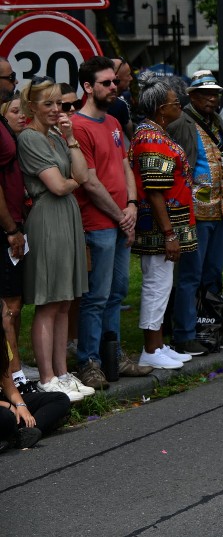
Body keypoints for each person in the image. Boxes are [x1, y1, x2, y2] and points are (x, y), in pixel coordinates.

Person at [73, 56, 150, 389]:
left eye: (114, 82)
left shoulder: (113, 123)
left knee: (117, 292)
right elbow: (89, 181)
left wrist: (132, 205)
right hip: (99, 223)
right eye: (106, 83)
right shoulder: (78, 126)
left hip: (120, 221)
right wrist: (122, 216)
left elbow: (124, 166)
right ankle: (88, 361)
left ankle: (113, 355)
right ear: (88, 87)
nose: (114, 87)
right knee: (96, 296)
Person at [16, 78, 91, 400]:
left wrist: (72, 138)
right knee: (49, 302)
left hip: (66, 215)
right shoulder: (30, 139)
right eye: (48, 104)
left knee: (64, 301)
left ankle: (62, 372)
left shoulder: (58, 137)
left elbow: (82, 176)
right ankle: (47, 376)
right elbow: (59, 186)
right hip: (48, 218)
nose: (56, 109)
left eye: (58, 103)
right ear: (32, 106)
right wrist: (71, 180)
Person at [166, 70, 223, 355]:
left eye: (215, 94)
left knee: (211, 273)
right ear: (192, 95)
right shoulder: (181, 121)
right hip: (194, 209)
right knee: (190, 274)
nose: (212, 98)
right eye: (206, 94)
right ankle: (184, 333)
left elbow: (219, 151)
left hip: (220, 207)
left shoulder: (216, 120)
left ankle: (211, 329)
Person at [130, 74, 199, 369]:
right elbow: (155, 191)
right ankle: (150, 348)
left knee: (163, 284)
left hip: (169, 223)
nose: (180, 106)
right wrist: (169, 233)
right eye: (175, 103)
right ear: (160, 108)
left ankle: (158, 344)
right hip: (160, 227)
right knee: (156, 286)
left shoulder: (158, 133)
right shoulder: (151, 139)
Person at [0, 57, 30, 392]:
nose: (13, 81)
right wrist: (10, 230)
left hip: (15, 223)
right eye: (10, 77)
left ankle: (15, 366)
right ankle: (14, 377)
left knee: (16, 303)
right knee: (8, 306)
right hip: (7, 228)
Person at [1, 324, 71, 452]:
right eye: (6, 314)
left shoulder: (2, 343)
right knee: (6, 416)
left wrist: (21, 405)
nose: (9, 316)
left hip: (4, 401)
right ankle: (15, 432)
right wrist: (8, 406)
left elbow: (8, 385)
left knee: (60, 399)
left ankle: (23, 433)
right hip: (3, 407)